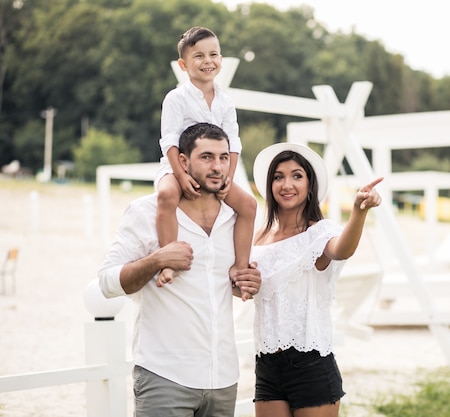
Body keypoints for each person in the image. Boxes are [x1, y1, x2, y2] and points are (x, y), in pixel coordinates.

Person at [99, 123, 261, 417]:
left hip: (224, 379)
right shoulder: (146, 212)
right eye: (207, 157)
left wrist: (246, 282)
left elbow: (229, 285)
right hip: (165, 378)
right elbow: (107, 282)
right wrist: (156, 260)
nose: (218, 167)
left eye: (224, 158)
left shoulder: (236, 218)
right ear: (183, 162)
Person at [249, 142, 383, 417]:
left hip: (311, 364)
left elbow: (342, 249)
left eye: (297, 176)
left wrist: (358, 210)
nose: (287, 184)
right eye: (278, 176)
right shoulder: (257, 238)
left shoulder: (320, 234)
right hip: (266, 366)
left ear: (310, 186)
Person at [156, 26, 256, 298]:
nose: (207, 61)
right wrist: (181, 174)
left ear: (221, 60)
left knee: (248, 205)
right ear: (183, 64)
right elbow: (170, 140)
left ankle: (240, 264)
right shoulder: (176, 98)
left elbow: (233, 142)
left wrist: (228, 177)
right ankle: (168, 260)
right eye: (198, 56)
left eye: (213, 54)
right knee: (166, 195)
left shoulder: (225, 101)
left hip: (216, 170)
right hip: (179, 164)